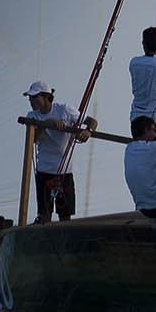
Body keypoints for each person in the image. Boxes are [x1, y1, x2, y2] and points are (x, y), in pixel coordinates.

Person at [22, 80, 96, 224]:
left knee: (65, 216)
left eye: (34, 97)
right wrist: (46, 124)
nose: (30, 100)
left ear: (46, 97)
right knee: (45, 216)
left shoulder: (64, 110)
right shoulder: (31, 116)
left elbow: (92, 121)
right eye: (30, 97)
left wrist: (88, 131)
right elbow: (32, 140)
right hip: (44, 171)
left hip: (65, 172)